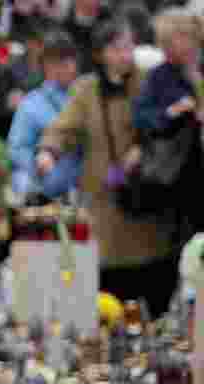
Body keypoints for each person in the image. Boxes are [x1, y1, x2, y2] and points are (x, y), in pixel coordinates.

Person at [37, 19, 177, 318]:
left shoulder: (151, 81)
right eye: (117, 47)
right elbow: (64, 127)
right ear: (101, 53)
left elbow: (171, 121)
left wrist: (145, 146)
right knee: (110, 299)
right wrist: (49, 151)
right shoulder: (86, 90)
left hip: (149, 200)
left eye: (129, 46)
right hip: (107, 205)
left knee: (155, 286)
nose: (125, 54)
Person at [133, 7, 204, 245]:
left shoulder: (198, 72)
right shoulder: (158, 77)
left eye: (189, 38)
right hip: (175, 173)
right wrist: (171, 112)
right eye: (177, 39)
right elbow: (142, 118)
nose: (185, 45)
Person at [8, 28, 81, 202]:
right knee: (22, 183)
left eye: (72, 59)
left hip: (85, 183)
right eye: (62, 61)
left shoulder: (87, 95)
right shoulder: (31, 104)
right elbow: (17, 148)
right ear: (47, 65)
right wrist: (37, 164)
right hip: (46, 186)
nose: (70, 66)